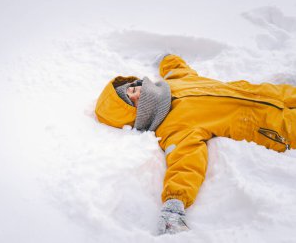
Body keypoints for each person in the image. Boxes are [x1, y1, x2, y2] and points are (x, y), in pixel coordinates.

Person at [94, 54, 296, 235]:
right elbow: (185, 162)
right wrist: (175, 200)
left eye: (131, 89)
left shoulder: (174, 82)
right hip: (268, 126)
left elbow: (178, 69)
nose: (136, 93)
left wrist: (168, 58)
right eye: (132, 101)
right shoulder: (172, 128)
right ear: (135, 116)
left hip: (273, 93)